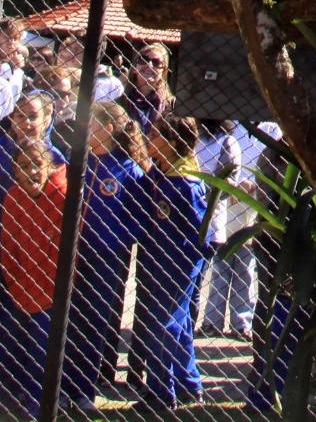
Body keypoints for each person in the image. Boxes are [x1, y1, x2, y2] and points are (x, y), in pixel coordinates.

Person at [0, 92, 61, 408]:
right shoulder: (0, 151)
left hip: (38, 255)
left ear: (47, 120)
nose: (25, 122)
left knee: (31, 322)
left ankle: (26, 385)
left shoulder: (54, 157)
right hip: (3, 246)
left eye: (33, 116)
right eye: (20, 115)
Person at [62, 100, 148, 407]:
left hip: (106, 258)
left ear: (108, 129)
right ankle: (59, 387)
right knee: (67, 319)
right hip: (72, 253)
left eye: (91, 124)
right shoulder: (77, 162)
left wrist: (115, 239)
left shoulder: (129, 170)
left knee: (94, 321)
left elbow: (140, 220)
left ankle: (83, 390)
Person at [133, 111, 210, 408]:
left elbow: (199, 231)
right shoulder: (159, 173)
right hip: (156, 260)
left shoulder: (186, 183)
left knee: (162, 324)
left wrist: (189, 262)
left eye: (154, 135)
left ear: (172, 142)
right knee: (179, 324)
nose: (148, 139)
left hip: (178, 265)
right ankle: (190, 384)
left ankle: (161, 392)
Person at [0, 137, 69, 413]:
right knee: (17, 340)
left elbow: (64, 253)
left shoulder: (63, 196)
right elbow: (8, 249)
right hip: (23, 285)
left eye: (37, 164)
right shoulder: (13, 197)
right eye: (23, 165)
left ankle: (45, 401)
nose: (31, 171)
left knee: (45, 343)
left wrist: (46, 291)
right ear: (15, 171)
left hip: (54, 288)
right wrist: (18, 287)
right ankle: (23, 393)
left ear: (50, 167)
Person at [199, 118, 261, 338]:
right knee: (221, 263)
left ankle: (242, 323)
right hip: (227, 201)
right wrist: (235, 185)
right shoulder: (232, 127)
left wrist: (255, 185)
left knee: (245, 264)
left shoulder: (272, 127)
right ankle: (212, 320)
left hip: (254, 199)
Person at [123, 44, 172, 131]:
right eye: (143, 59)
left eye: (157, 62)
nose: (149, 65)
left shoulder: (170, 106)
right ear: (134, 68)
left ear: (163, 72)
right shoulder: (120, 99)